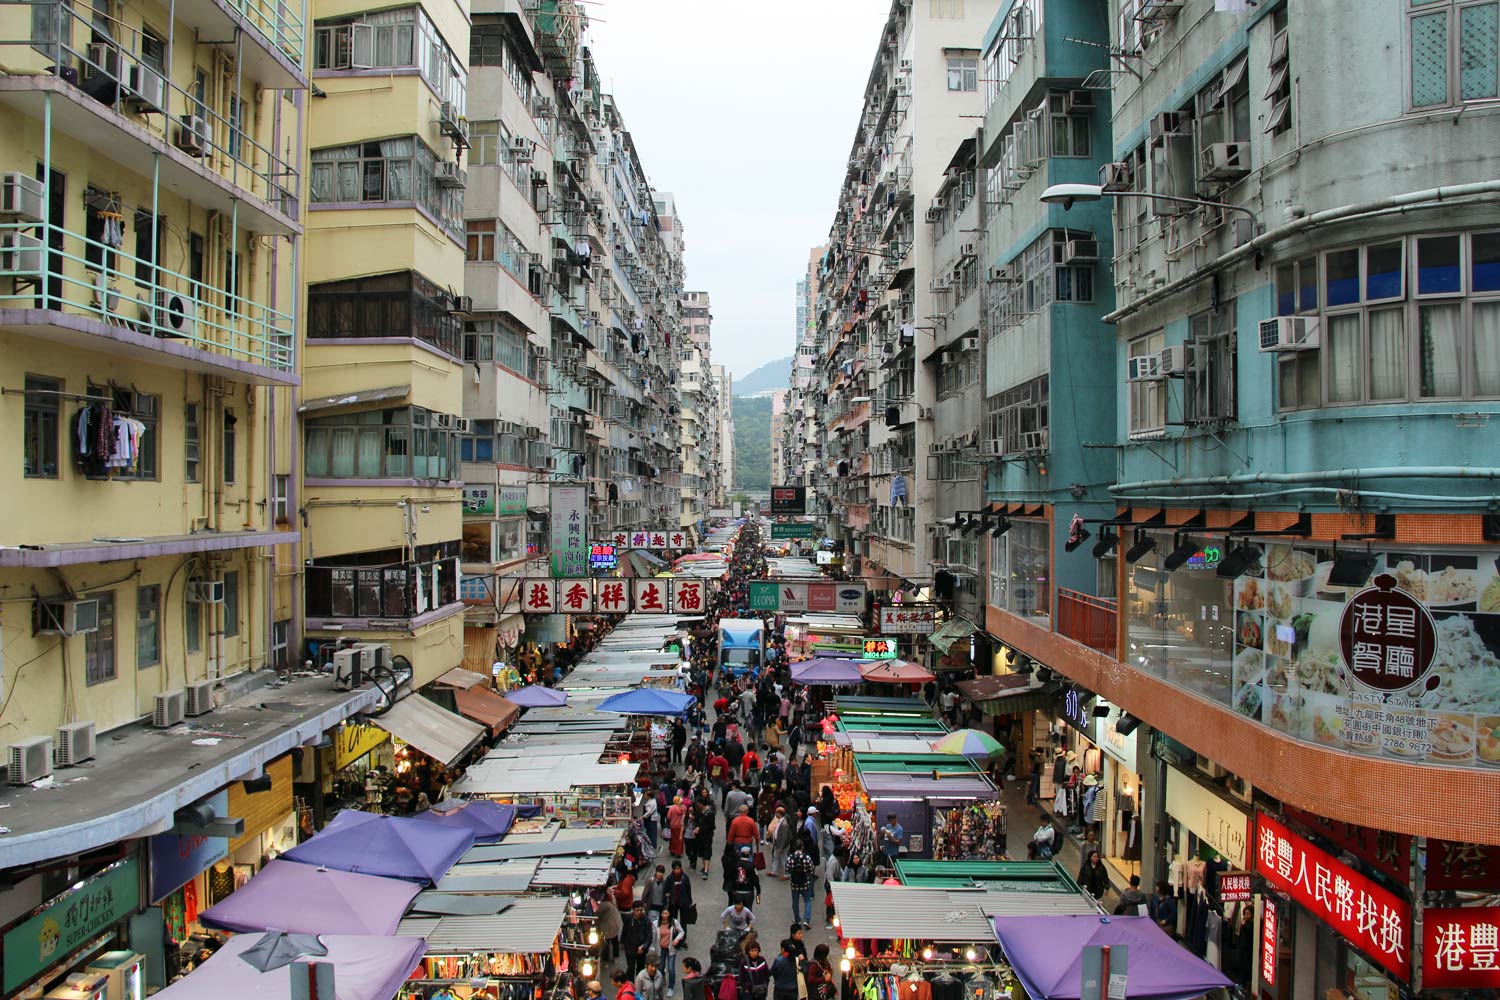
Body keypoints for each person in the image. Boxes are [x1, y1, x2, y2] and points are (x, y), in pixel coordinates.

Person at [654, 911, 686, 996]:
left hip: (670, 949)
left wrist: (676, 939)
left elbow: (681, 932)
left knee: (671, 968)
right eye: (663, 913)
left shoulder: (674, 922)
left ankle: (671, 987)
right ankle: (662, 979)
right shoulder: (655, 923)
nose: (664, 915)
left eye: (666, 913)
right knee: (660, 968)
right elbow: (653, 934)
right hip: (660, 948)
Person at [785, 840, 816, 927]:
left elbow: (787, 870)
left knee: (795, 901)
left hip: (794, 884)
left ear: (794, 847)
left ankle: (797, 919)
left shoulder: (790, 858)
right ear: (802, 847)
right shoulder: (807, 858)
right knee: (807, 900)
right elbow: (811, 869)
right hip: (805, 883)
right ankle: (806, 919)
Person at [623, 901, 654, 979]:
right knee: (630, 968)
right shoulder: (628, 919)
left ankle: (639, 984)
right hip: (630, 948)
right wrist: (623, 942)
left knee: (640, 969)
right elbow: (624, 931)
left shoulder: (646, 920)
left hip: (641, 949)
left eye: (641, 910)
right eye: (637, 910)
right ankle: (630, 984)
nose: (639, 912)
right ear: (633, 910)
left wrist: (644, 946)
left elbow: (649, 935)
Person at [665, 859, 696, 930]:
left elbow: (688, 890)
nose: (677, 871)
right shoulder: (669, 878)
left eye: (678, 868)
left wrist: (690, 901)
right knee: (673, 921)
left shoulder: (685, 877)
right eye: (675, 869)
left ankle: (683, 937)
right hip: (673, 903)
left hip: (683, 903)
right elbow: (666, 890)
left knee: (683, 921)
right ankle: (674, 935)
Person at [690, 800, 716, 880]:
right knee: (701, 852)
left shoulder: (710, 813)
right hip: (699, 836)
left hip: (707, 835)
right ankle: (704, 866)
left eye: (698, 804)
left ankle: (706, 870)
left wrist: (700, 828)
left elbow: (712, 826)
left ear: (702, 804)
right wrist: (695, 828)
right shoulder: (699, 812)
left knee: (707, 851)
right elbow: (697, 822)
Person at [767, 805, 793, 879]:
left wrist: (782, 847)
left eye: (776, 813)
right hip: (777, 844)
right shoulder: (781, 821)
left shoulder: (784, 824)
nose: (775, 814)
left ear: (779, 813)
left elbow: (784, 837)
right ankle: (774, 871)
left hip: (781, 845)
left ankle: (787, 873)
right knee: (776, 857)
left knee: (784, 859)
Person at [595, 894, 623, 962]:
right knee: (615, 941)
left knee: (606, 943)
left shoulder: (604, 905)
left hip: (608, 926)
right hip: (615, 924)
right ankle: (615, 956)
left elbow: (597, 913)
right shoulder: (612, 901)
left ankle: (606, 960)